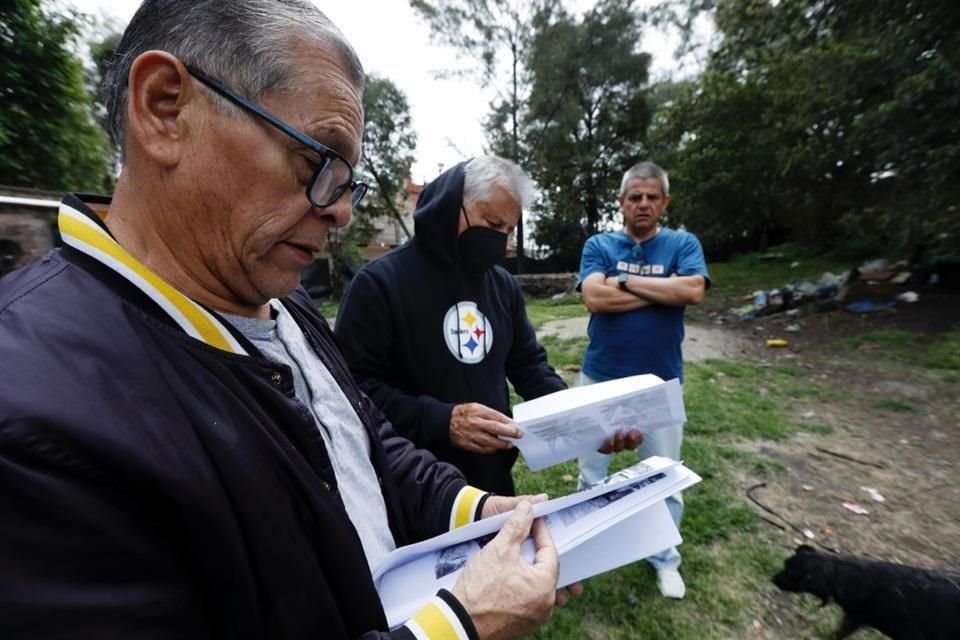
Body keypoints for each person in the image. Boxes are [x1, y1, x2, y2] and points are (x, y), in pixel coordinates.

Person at [0, 2, 560, 638]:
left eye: (348, 179)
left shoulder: (283, 300)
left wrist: (477, 509)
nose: (342, 211)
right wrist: (457, 627)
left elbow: (365, 445)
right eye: (319, 161)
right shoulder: (30, 420)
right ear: (164, 109)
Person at [335, 157, 641, 495]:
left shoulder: (502, 285)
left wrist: (584, 423)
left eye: (508, 230)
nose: (501, 240)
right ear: (451, 207)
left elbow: (530, 367)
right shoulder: (379, 283)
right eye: (492, 223)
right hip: (411, 484)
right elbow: (351, 389)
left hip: (492, 480)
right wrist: (439, 420)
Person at [576, 161, 710, 600]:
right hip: (600, 378)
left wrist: (625, 282)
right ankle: (584, 547)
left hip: (660, 383)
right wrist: (661, 291)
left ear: (665, 202)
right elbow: (595, 297)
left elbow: (692, 291)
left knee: (664, 476)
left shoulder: (682, 243)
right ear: (621, 202)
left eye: (652, 196)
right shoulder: (599, 243)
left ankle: (665, 558)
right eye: (635, 196)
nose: (644, 204)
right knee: (591, 472)